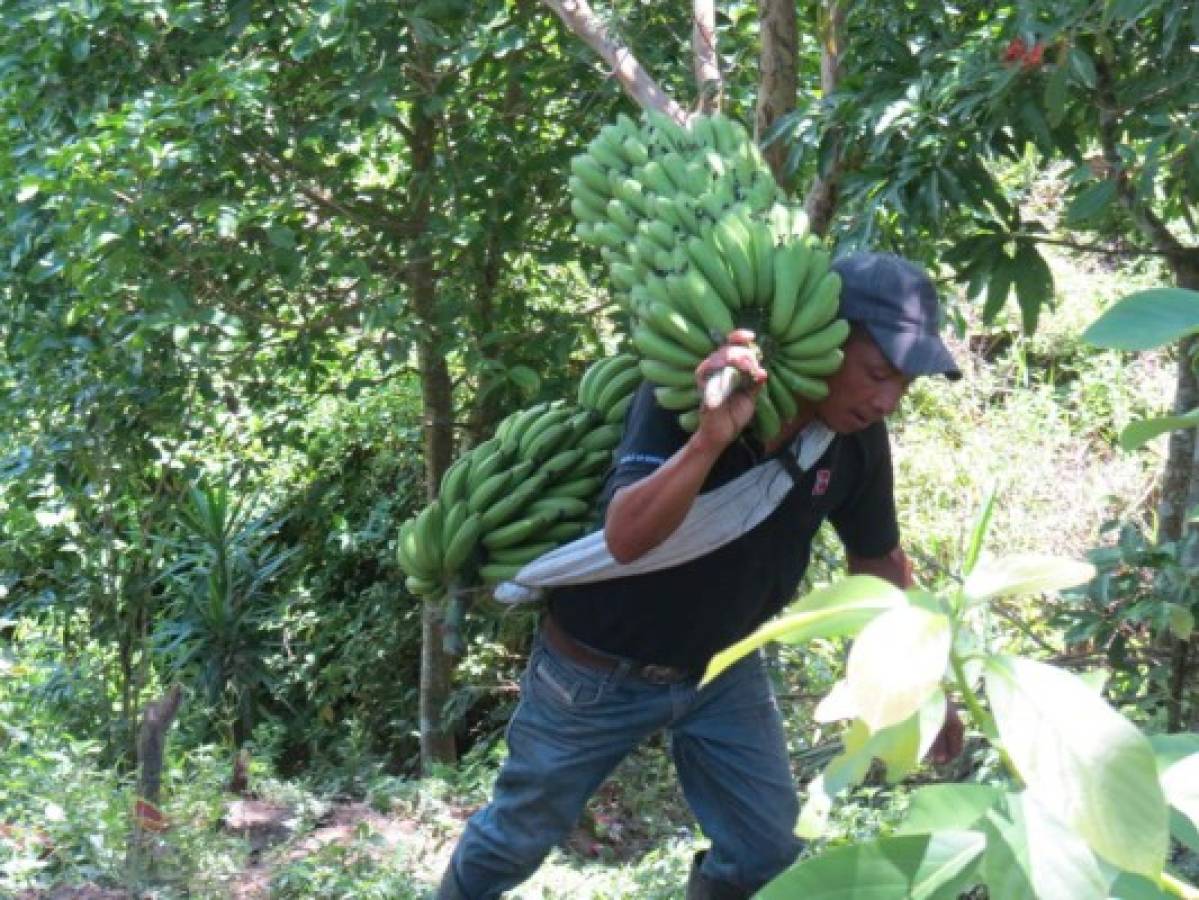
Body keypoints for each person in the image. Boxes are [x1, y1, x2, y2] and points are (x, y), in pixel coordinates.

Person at [436, 252, 962, 899]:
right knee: (515, 839)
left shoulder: (856, 441)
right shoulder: (689, 392)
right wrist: (708, 440)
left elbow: (877, 561)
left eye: (904, 383)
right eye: (876, 372)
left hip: (722, 672)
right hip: (593, 674)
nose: (886, 399)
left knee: (766, 850)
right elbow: (626, 536)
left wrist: (919, 686)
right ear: (828, 337)